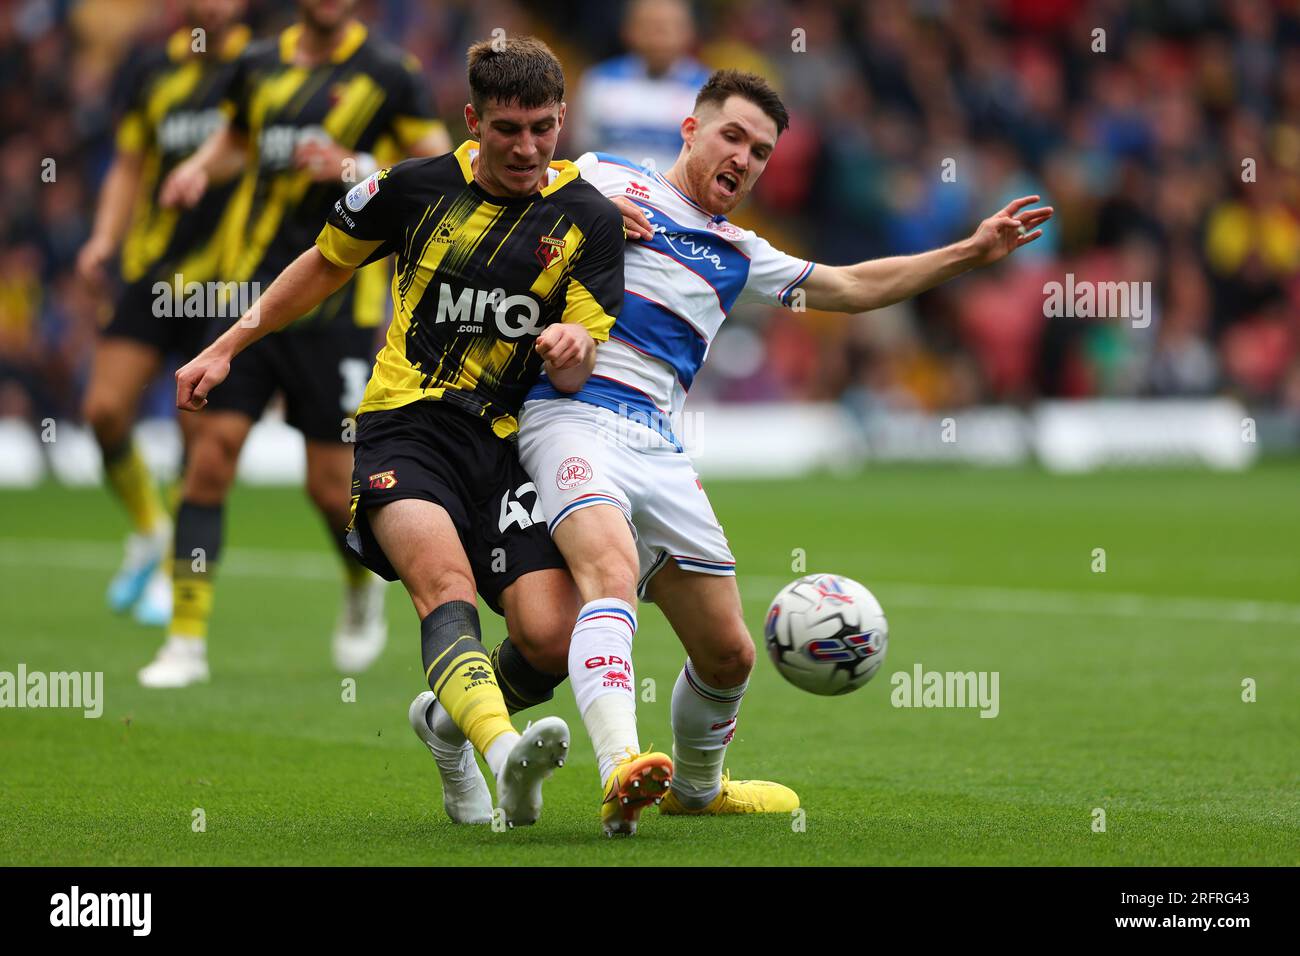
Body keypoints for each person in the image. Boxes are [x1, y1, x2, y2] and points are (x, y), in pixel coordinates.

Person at [430, 70, 1053, 836]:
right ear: (691, 131)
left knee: (729, 654)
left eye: (760, 151)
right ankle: (621, 766)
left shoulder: (739, 252)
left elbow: (852, 287)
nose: (745, 159)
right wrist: (577, 210)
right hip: (570, 416)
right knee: (609, 580)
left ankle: (696, 787)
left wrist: (970, 251)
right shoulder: (600, 175)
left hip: (657, 444)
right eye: (732, 136)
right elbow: (497, 190)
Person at [173, 36, 627, 828]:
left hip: (509, 443)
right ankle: (500, 753)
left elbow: (575, 371)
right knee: (445, 590)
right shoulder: (411, 189)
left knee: (551, 637)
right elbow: (321, 264)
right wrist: (224, 347)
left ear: (564, 119)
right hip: (404, 427)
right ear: (471, 121)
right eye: (507, 128)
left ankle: (450, 731)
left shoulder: (587, 217)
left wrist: (573, 346)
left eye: (543, 128)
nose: (526, 147)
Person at [144, 0, 450, 686]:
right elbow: (234, 142)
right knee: (210, 459)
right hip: (249, 296)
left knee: (327, 485)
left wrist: (358, 165)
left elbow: (440, 165)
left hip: (340, 305)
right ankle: (185, 638)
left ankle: (358, 584)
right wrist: (199, 166)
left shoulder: (389, 73)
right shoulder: (256, 65)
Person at [77, 0, 250, 628]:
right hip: (153, 273)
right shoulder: (151, 72)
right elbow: (128, 166)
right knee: (102, 409)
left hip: (226, 283)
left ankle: (179, 582)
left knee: (197, 440)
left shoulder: (259, 69)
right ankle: (149, 528)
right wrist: (103, 238)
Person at [569, 0, 710, 172]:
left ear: (689, 31)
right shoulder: (599, 82)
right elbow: (582, 150)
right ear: (628, 29)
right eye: (649, 25)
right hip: (604, 196)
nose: (659, 36)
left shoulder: (709, 91)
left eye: (668, 26)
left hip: (676, 198)